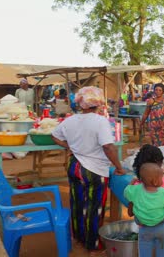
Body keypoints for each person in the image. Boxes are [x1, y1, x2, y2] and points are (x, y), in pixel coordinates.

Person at [51, 86, 126, 252]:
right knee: (94, 206)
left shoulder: (70, 119)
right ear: (98, 103)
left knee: (77, 202)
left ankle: (78, 236)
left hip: (74, 166)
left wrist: (68, 146)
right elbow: (108, 147)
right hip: (94, 170)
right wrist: (119, 167)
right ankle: (92, 243)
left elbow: (54, 136)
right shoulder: (100, 121)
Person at [125, 163, 164, 257]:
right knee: (163, 253)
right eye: (161, 177)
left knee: (144, 253)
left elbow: (127, 191)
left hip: (144, 229)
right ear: (155, 181)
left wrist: (133, 181)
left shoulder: (136, 190)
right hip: (163, 228)